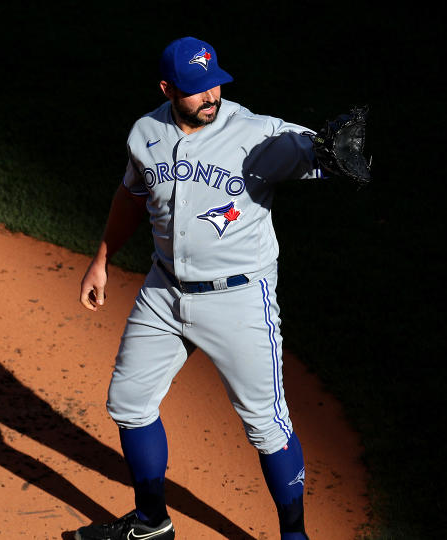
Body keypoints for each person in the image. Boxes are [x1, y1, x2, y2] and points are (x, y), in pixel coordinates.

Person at [76, 36, 326, 540]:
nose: (210, 96)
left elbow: (307, 148)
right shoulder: (145, 133)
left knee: (266, 425)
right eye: (195, 90)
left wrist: (329, 150)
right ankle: (151, 523)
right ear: (168, 88)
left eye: (214, 84)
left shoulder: (256, 134)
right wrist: (101, 259)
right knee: (128, 402)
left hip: (237, 300)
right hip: (164, 292)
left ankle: (294, 536)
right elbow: (131, 195)